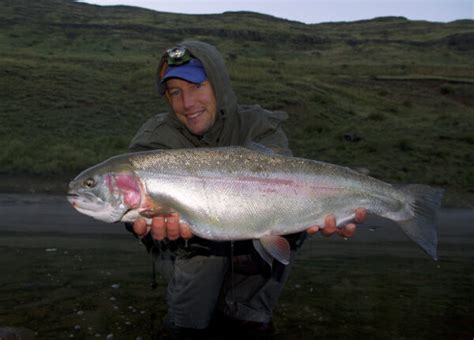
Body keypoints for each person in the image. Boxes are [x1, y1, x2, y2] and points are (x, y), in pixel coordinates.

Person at [127, 40, 366, 339]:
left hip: (256, 256)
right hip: (190, 254)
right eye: (175, 92)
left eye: (197, 86)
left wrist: (327, 210)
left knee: (249, 325)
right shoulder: (154, 142)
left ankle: (249, 316)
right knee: (187, 327)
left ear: (219, 85)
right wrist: (148, 228)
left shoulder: (258, 125)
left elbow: (290, 189)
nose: (187, 103)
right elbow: (127, 210)